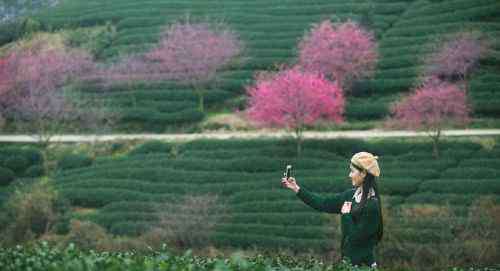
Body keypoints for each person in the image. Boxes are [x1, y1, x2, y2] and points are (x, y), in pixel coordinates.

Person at [281, 152, 383, 268]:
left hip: (364, 266)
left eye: (352, 171)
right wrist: (296, 188)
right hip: (348, 264)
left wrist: (346, 215)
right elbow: (323, 203)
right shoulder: (350, 196)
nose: (350, 175)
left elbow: (356, 238)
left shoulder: (372, 206)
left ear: (364, 173)